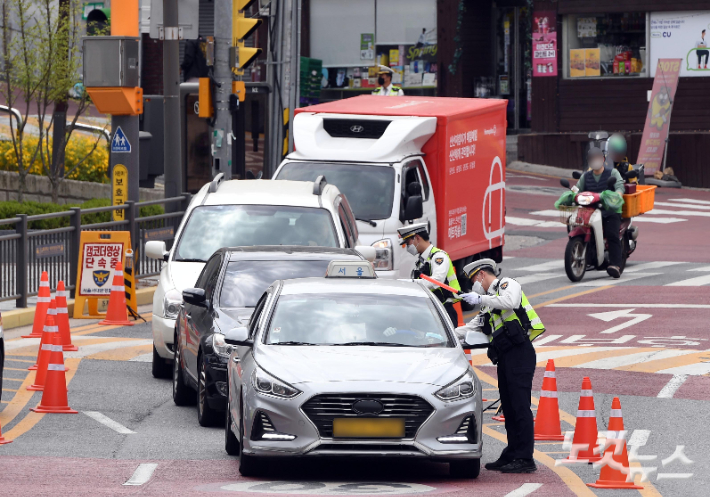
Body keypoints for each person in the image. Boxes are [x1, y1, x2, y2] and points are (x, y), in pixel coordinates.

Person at [456, 259, 545, 474]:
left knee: (520, 406)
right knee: (509, 406)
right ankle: (513, 453)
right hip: (505, 357)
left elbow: (511, 301)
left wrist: (480, 297)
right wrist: (442, 334)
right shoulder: (488, 304)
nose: (474, 287)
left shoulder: (507, 285)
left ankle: (525, 457)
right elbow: (472, 327)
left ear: (481, 276)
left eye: (473, 281)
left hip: (520, 353)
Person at [397, 223, 460, 326]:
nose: (408, 247)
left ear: (417, 238)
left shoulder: (438, 256)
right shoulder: (421, 261)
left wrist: (410, 283)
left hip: (443, 311)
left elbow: (437, 280)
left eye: (408, 243)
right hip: (429, 311)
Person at [578, 146, 625, 278]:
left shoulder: (613, 173)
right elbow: (577, 189)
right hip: (591, 210)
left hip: (610, 210)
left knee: (612, 234)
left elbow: (620, 187)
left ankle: (616, 264)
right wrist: (571, 195)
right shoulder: (585, 176)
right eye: (592, 158)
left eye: (597, 158)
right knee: (582, 230)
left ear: (603, 159)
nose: (595, 161)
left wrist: (617, 195)